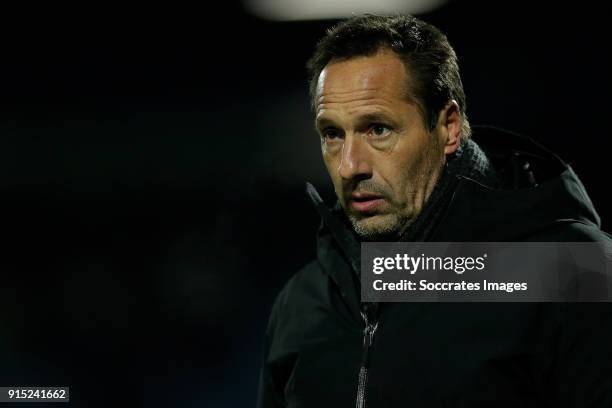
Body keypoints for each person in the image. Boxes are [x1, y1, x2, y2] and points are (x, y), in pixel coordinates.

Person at [257, 14, 612, 407]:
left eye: (378, 129)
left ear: (449, 126)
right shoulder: (302, 303)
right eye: (333, 135)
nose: (349, 166)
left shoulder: (575, 271)